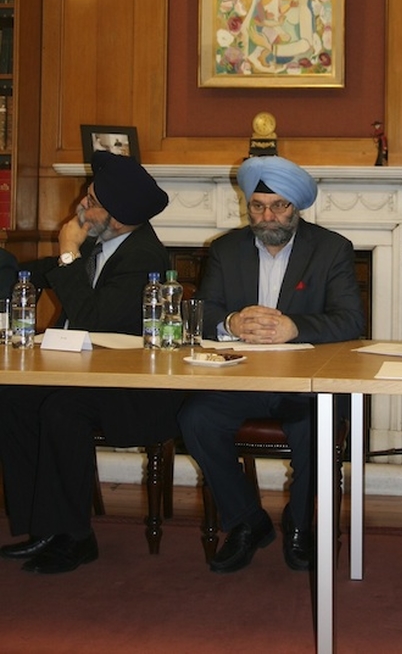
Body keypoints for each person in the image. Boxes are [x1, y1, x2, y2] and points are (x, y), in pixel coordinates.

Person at [178, 155, 365, 574]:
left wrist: (294, 327)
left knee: (314, 427)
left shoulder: (331, 249)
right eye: (258, 206)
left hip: (304, 382)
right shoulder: (226, 249)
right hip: (241, 376)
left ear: (297, 207)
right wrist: (230, 322)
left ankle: (300, 525)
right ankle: (247, 521)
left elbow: (352, 320)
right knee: (196, 418)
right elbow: (202, 312)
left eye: (279, 206)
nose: (268, 216)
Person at [0, 151, 185, 575]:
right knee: (12, 396)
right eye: (87, 193)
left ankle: (77, 538)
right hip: (82, 377)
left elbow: (92, 320)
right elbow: (29, 274)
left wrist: (68, 254)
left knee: (62, 410)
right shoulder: (100, 243)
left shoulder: (143, 258)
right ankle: (42, 527)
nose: (82, 203)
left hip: (131, 390)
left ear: (117, 218)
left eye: (93, 200)